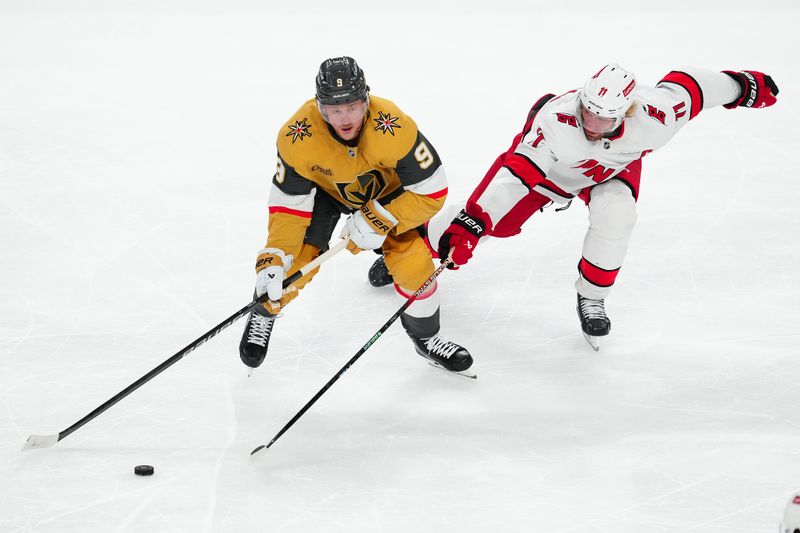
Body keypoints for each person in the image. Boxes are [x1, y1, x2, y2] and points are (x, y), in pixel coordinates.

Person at [399, 64, 777, 350]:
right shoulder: (555, 124)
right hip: (551, 172)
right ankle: (419, 242)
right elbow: (513, 176)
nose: (592, 124)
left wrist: (741, 85)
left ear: (627, 112)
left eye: (605, 117)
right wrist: (470, 225)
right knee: (496, 225)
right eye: (588, 111)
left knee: (618, 214)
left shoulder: (657, 116)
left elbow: (691, 88)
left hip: (612, 169)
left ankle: (593, 297)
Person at [238, 56, 473, 374]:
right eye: (334, 109)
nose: (344, 117)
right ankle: (264, 311)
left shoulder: (393, 125)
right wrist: (275, 257)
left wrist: (380, 218)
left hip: (387, 195)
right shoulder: (297, 135)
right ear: (320, 108)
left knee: (415, 264)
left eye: (352, 106)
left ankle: (427, 339)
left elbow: (432, 192)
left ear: (367, 99)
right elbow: (288, 207)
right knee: (296, 261)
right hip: (325, 194)